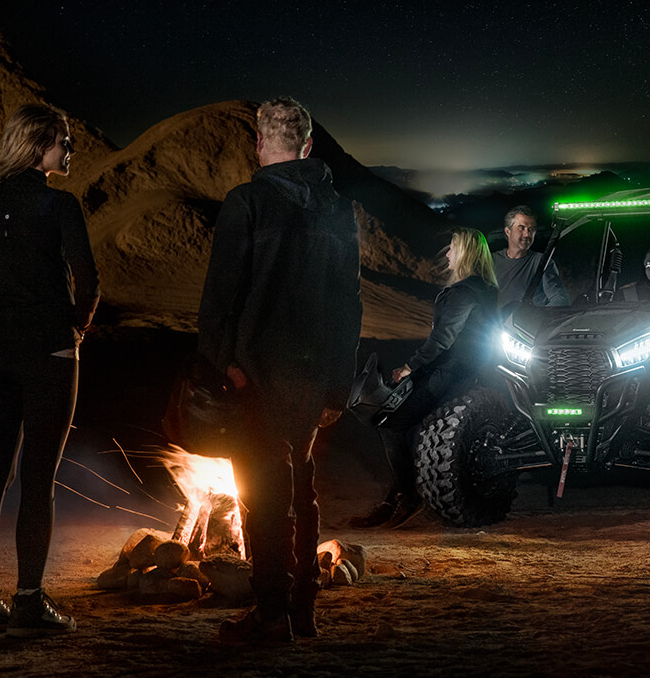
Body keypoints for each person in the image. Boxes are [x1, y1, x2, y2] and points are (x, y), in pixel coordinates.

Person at [197, 97, 362, 644]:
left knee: (265, 494)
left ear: (262, 143)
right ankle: (302, 611)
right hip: (313, 378)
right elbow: (349, 304)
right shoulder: (337, 209)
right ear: (309, 147)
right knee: (303, 491)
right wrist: (339, 383)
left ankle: (272, 616)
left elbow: (219, 297)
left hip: (259, 378)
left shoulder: (246, 202)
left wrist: (227, 365)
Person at [0, 104, 99, 637]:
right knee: (39, 481)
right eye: (64, 140)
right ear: (39, 146)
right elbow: (89, 283)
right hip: (51, 354)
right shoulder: (60, 205)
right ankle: (30, 602)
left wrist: (5, 314)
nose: (70, 149)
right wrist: (75, 327)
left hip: (0, 353)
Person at [350, 226, 499, 530]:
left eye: (453, 247)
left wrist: (410, 367)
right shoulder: (482, 289)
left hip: (450, 372)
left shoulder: (466, 291)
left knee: (391, 422)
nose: (447, 252)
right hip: (462, 371)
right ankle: (398, 495)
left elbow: (444, 337)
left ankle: (407, 496)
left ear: (466, 252)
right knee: (402, 421)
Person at [492, 205, 569, 307]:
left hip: (528, 322)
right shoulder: (492, 261)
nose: (527, 234)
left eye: (531, 229)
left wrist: (537, 318)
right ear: (508, 231)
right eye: (521, 228)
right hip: (498, 322)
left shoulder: (542, 262)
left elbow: (560, 299)